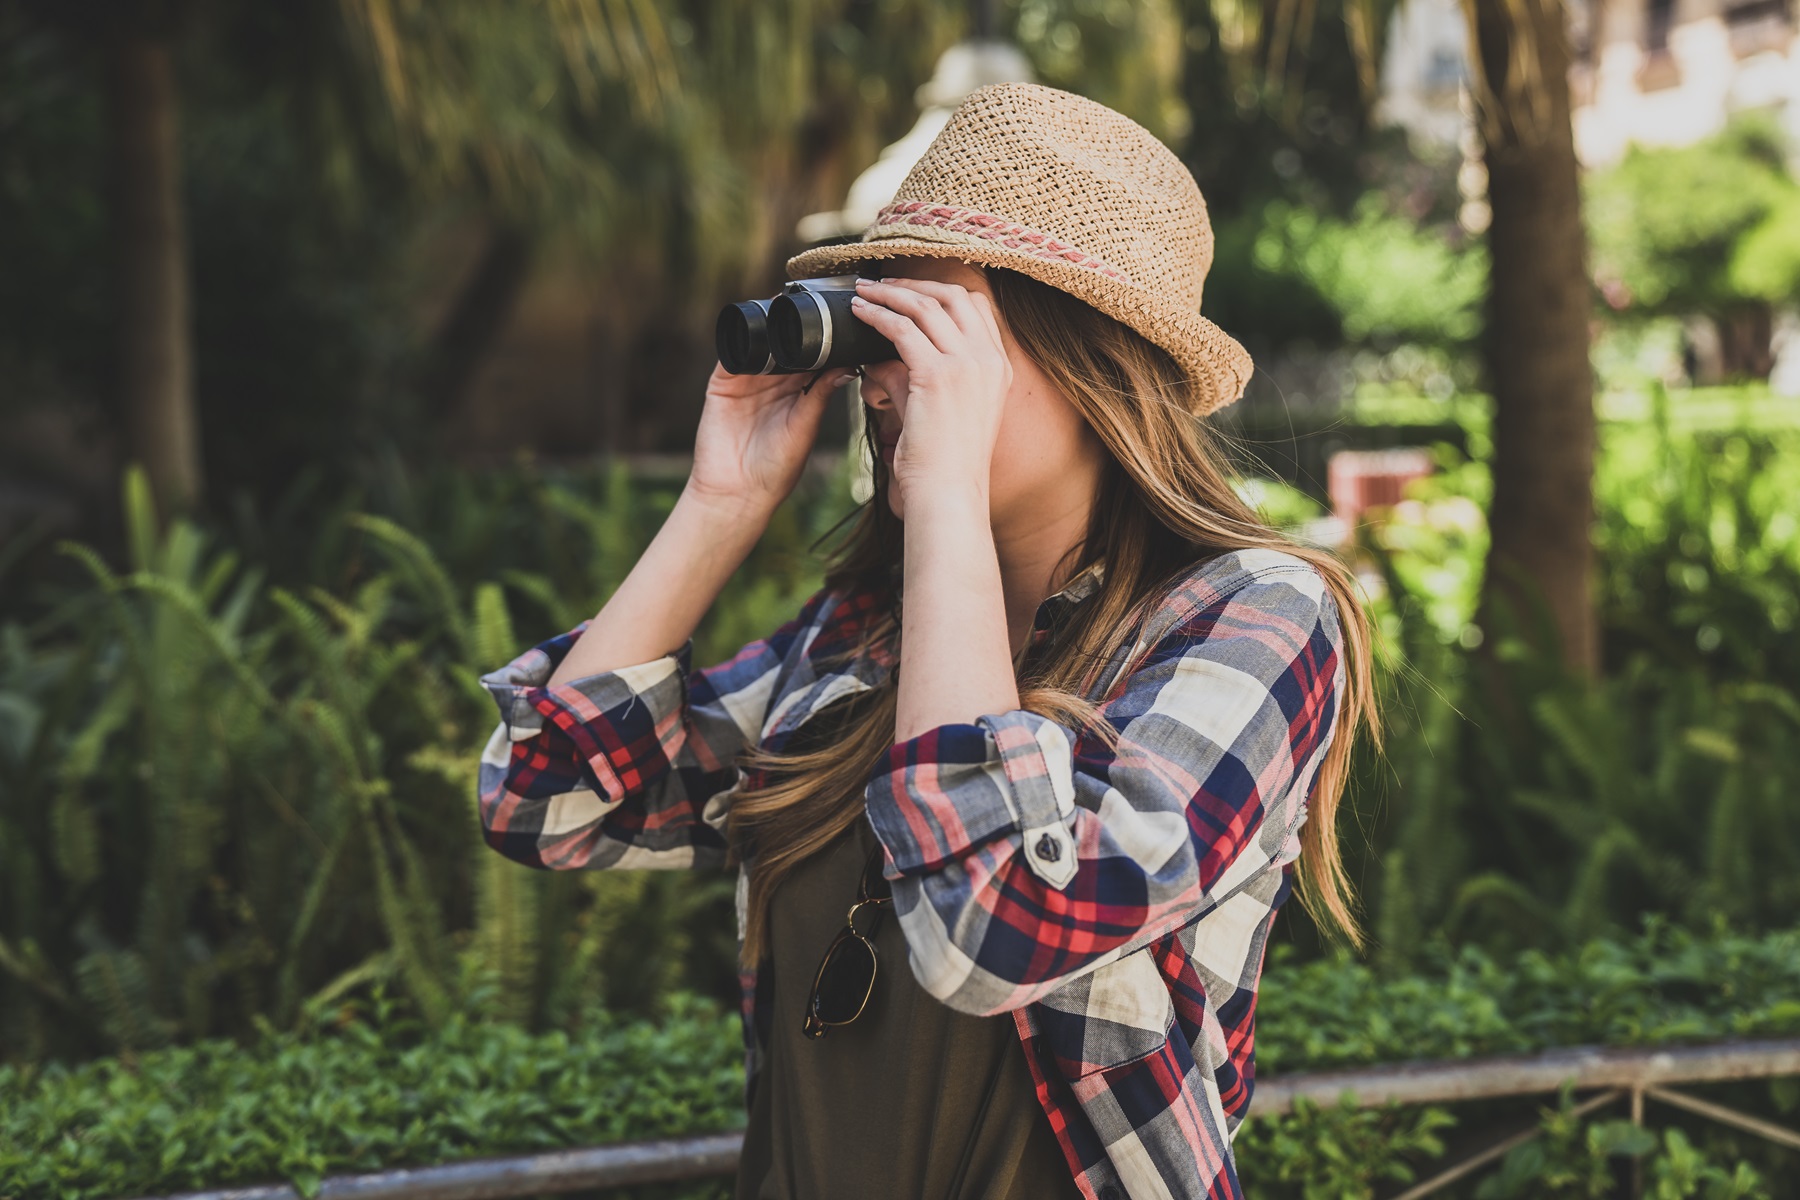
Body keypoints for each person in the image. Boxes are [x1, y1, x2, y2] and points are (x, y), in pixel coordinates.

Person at [477, 82, 1377, 1200]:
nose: (888, 379)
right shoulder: (867, 638)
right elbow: (549, 799)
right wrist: (719, 502)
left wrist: (945, 489)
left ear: (1090, 357)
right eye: (876, 327)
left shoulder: (1252, 617)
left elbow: (999, 928)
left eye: (936, 334)